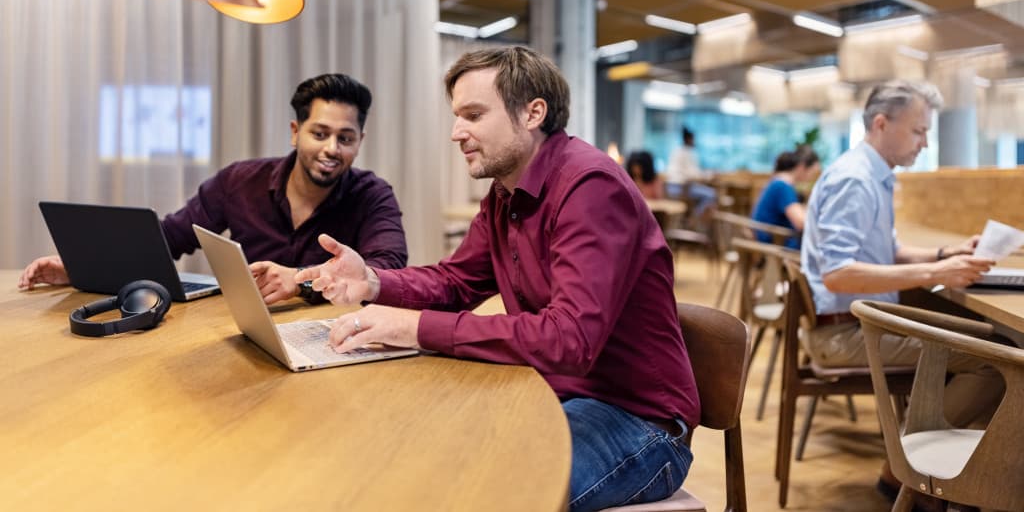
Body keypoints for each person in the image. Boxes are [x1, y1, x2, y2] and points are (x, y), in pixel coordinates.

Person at [297, 46, 699, 512]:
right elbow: (457, 281)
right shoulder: (504, 193)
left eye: (472, 115)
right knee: (416, 458)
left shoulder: (591, 187)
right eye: (457, 116)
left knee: (482, 494)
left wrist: (413, 328)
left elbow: (568, 339)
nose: (456, 133)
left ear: (532, 113)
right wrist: (373, 282)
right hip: (558, 394)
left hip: (639, 420)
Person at [18, 73, 408, 305]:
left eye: (345, 138)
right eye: (319, 134)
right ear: (295, 132)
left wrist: (300, 278)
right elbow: (167, 240)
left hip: (332, 333)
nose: (331, 149)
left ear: (360, 140)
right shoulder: (239, 182)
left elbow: (389, 269)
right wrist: (83, 266)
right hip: (248, 334)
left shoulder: (373, 195)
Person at [801, 80, 1002, 440]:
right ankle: (904, 467)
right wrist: (936, 271)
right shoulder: (855, 180)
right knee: (994, 362)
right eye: (918, 131)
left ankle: (931, 460)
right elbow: (838, 274)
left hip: (857, 324)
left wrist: (945, 254)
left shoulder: (873, 175)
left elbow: (888, 250)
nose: (924, 143)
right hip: (843, 334)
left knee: (981, 341)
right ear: (881, 124)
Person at [751, 146, 820, 248]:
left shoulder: (778, 182)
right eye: (813, 173)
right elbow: (801, 223)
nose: (811, 178)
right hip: (775, 242)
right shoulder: (782, 186)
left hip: (774, 238)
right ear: (801, 167)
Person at [664, 126, 716, 220]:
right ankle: (694, 219)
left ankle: (689, 218)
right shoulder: (688, 152)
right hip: (682, 189)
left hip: (670, 188)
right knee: (711, 194)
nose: (694, 141)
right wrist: (709, 175)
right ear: (689, 139)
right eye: (693, 139)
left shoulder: (676, 151)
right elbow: (693, 174)